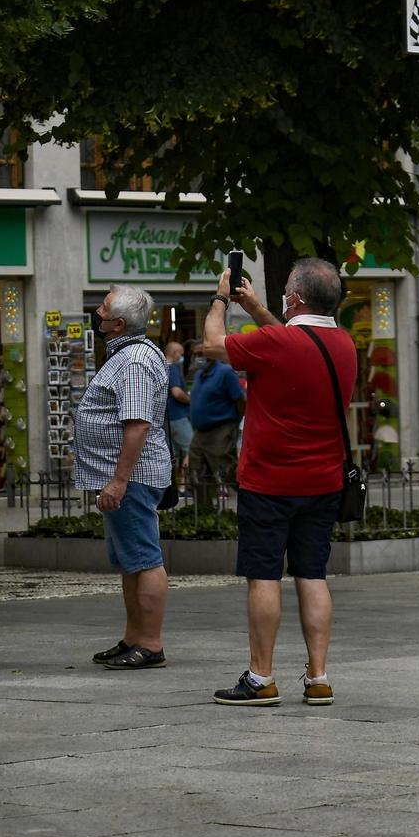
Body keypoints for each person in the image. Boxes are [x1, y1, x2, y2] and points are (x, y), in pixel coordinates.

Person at [202, 258, 356, 707]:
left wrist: (220, 297)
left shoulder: (275, 343)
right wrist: (253, 306)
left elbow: (213, 345)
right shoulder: (343, 344)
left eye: (287, 288)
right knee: (313, 575)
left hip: (269, 482)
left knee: (264, 576)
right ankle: (319, 677)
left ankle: (261, 677)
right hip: (324, 481)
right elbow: (295, 341)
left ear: (295, 297)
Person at [74, 284, 174, 670]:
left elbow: (137, 425)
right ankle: (134, 637)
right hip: (122, 477)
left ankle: (150, 643)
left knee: (144, 559)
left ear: (117, 324)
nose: (97, 312)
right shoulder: (125, 354)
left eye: (103, 309)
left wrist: (119, 481)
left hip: (129, 478)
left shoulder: (133, 361)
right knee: (131, 559)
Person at [188, 339, 245, 513]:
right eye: (195, 354)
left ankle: (250, 504)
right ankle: (204, 512)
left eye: (201, 354)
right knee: (197, 472)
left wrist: (233, 424)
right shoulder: (199, 374)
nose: (198, 358)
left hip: (220, 428)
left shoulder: (225, 372)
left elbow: (240, 400)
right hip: (199, 432)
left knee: (226, 470)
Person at [162, 339, 192, 506]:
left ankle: (168, 487)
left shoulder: (159, 368)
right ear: (173, 354)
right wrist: (192, 401)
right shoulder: (172, 369)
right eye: (181, 354)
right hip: (177, 416)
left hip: (165, 418)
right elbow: (177, 392)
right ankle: (183, 486)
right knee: (191, 449)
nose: (182, 357)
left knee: (168, 454)